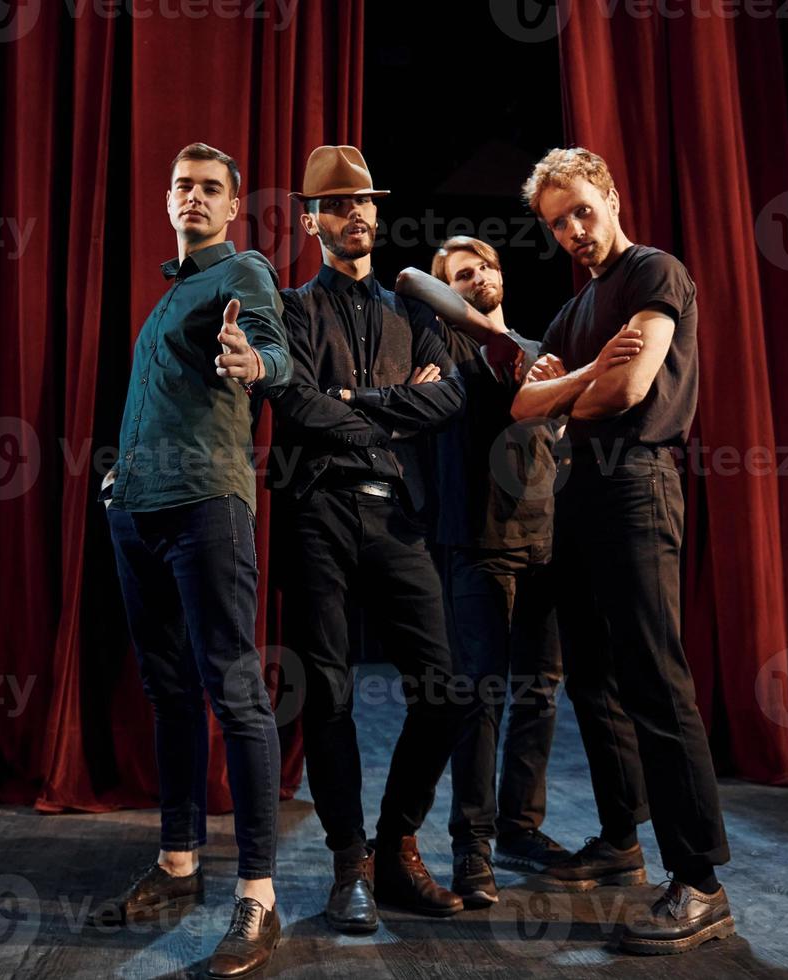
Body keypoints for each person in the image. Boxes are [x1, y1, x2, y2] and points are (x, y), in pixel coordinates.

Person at [511, 146, 734, 955]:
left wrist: (567, 389)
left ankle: (702, 881)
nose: (573, 231)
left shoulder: (653, 273)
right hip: (578, 495)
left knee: (655, 678)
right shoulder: (577, 313)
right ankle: (621, 841)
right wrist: (573, 383)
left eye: (580, 211)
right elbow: (523, 403)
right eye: (556, 223)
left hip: (638, 483)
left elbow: (629, 390)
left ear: (608, 192)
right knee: (594, 680)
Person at [270, 145, 472, 934]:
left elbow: (448, 400)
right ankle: (348, 863)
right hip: (319, 512)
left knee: (448, 687)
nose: (357, 214)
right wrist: (387, 405)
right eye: (340, 203)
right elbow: (292, 402)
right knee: (328, 695)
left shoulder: (413, 310)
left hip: (399, 516)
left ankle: (395, 846)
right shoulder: (289, 309)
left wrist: (351, 398)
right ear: (312, 219)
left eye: (366, 202)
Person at [100, 142, 288, 979]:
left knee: (234, 691)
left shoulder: (242, 272)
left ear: (232, 205)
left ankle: (259, 897)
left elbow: (276, 353)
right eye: (183, 186)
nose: (195, 197)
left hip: (209, 505)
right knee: (169, 691)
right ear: (167, 200)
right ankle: (179, 865)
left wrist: (257, 364)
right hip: (137, 513)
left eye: (212, 188)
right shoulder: (166, 294)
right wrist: (116, 481)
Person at [394, 240, 569, 909]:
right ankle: (474, 847)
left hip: (543, 542)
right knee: (480, 697)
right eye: (463, 273)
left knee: (540, 693)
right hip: (475, 540)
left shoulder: (533, 345)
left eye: (487, 267)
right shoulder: (442, 349)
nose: (479, 277)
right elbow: (410, 280)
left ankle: (522, 827)